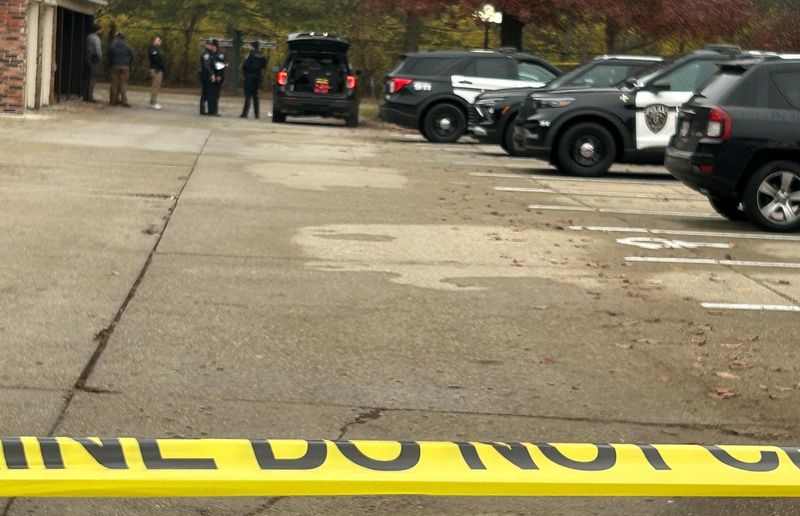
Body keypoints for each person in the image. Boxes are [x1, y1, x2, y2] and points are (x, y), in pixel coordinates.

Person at [240, 41, 267, 119]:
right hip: (258, 77)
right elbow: (264, 65)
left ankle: (245, 113)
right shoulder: (262, 55)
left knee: (248, 96)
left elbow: (245, 65)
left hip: (249, 76)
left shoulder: (250, 55)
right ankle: (257, 114)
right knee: (256, 96)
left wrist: (245, 71)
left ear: (252, 47)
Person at [108, 32, 134, 107]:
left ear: (117, 37)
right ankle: (123, 101)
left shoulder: (112, 46)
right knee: (124, 83)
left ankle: (113, 101)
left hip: (114, 66)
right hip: (125, 66)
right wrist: (128, 62)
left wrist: (111, 64)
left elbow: (109, 56)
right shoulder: (128, 46)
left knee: (114, 83)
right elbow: (132, 56)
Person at [83, 24, 102, 103]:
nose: (101, 31)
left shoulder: (89, 37)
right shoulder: (96, 38)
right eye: (101, 29)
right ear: (97, 30)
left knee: (87, 77)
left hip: (88, 58)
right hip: (94, 59)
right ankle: (90, 96)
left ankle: (85, 95)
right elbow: (98, 50)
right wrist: (100, 57)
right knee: (93, 78)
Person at [208, 44, 228, 116]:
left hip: (218, 76)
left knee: (216, 94)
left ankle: (214, 111)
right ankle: (211, 110)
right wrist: (211, 74)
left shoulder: (220, 55)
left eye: (212, 46)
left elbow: (222, 65)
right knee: (211, 94)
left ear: (215, 47)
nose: (211, 48)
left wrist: (219, 75)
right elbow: (209, 66)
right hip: (212, 76)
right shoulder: (211, 55)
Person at [199, 40, 217, 115]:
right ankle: (202, 110)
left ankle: (206, 110)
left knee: (207, 92)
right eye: (209, 45)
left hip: (207, 74)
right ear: (206, 45)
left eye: (211, 45)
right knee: (205, 92)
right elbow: (206, 65)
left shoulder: (210, 53)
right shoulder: (206, 54)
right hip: (206, 75)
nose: (211, 46)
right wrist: (211, 73)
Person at [148, 36, 165, 110]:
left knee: (157, 86)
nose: (160, 41)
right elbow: (156, 59)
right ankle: (153, 102)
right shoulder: (152, 48)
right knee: (155, 86)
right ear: (154, 41)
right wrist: (162, 65)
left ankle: (153, 101)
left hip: (158, 69)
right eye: (158, 40)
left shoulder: (155, 49)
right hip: (156, 70)